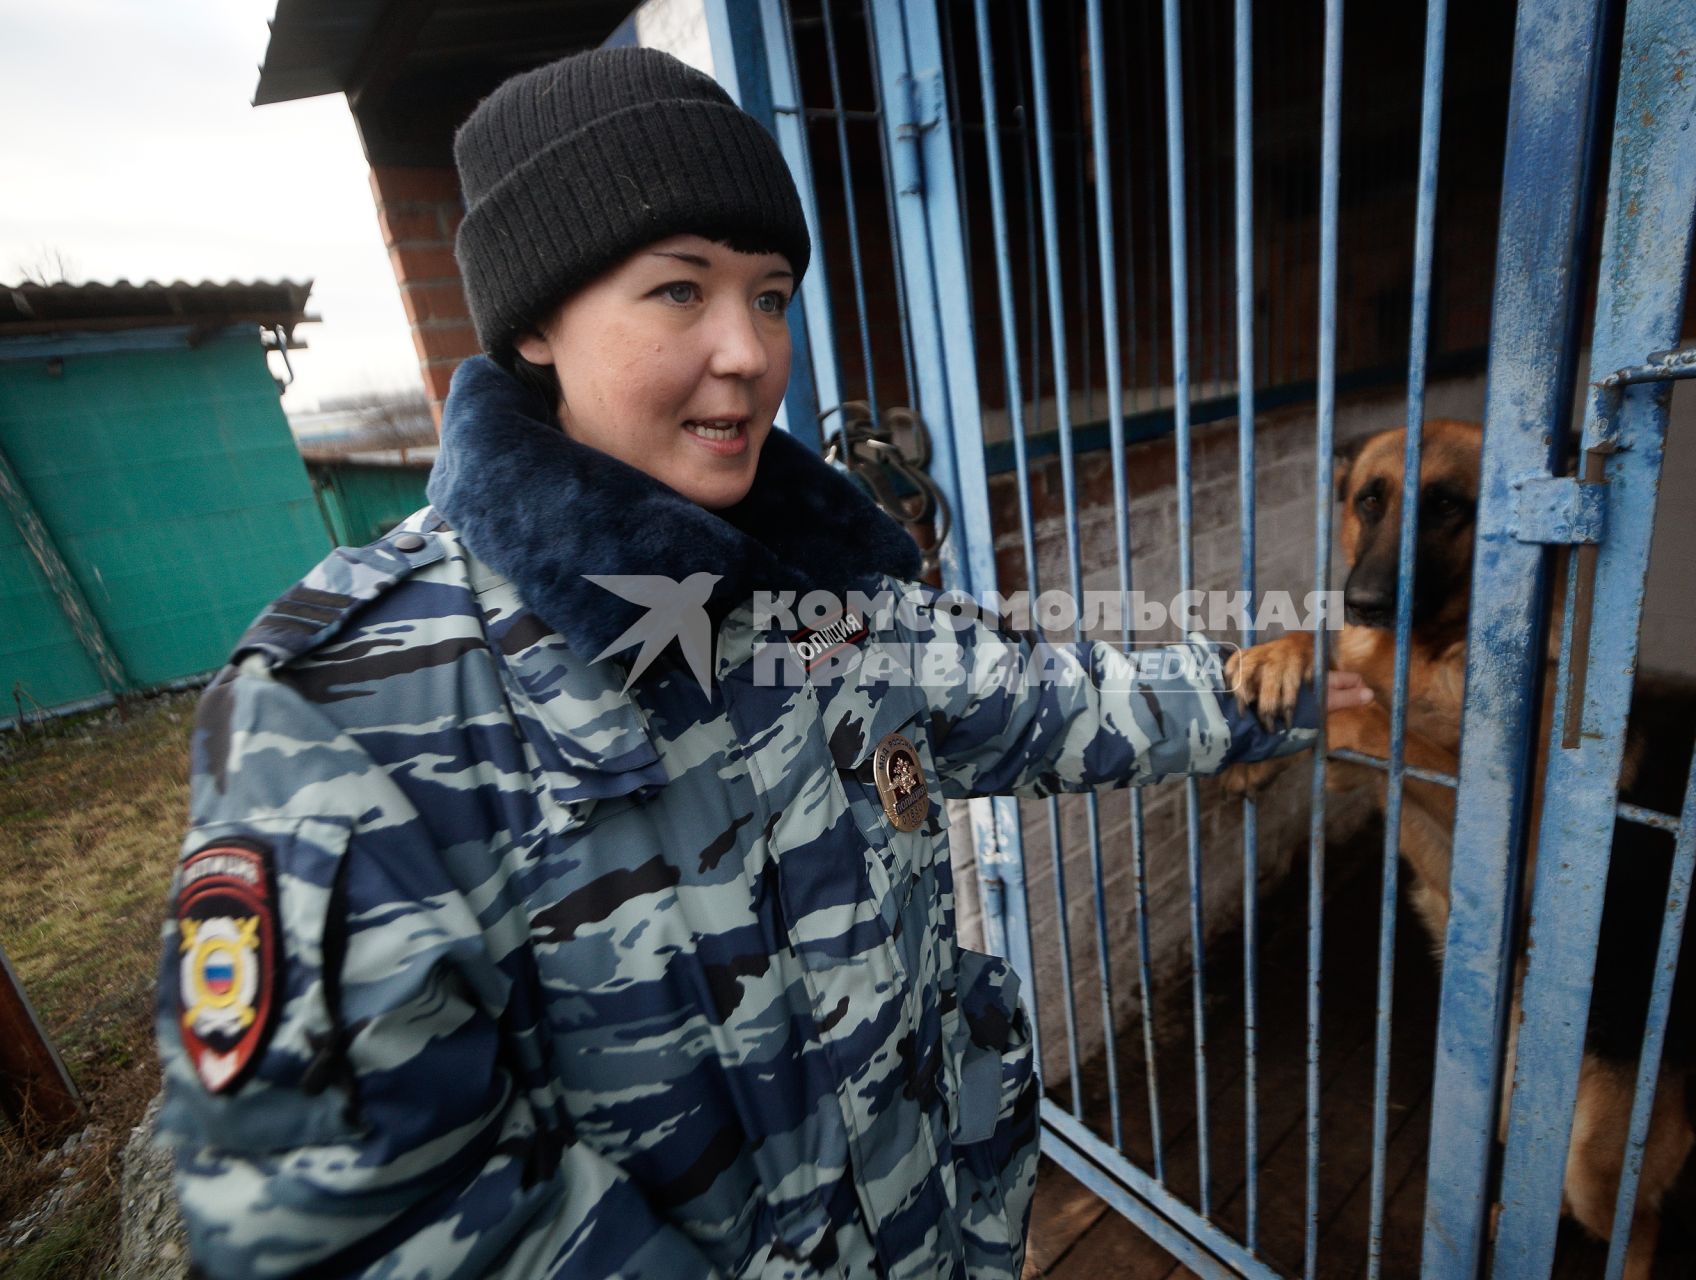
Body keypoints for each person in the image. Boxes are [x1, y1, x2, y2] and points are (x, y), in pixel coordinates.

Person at [153, 46, 1369, 1279]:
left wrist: (1306, 681)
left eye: (774, 294)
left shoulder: (817, 588)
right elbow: (368, 1229)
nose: (748, 350)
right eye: (681, 291)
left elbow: (1040, 704)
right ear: (533, 323)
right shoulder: (345, 719)